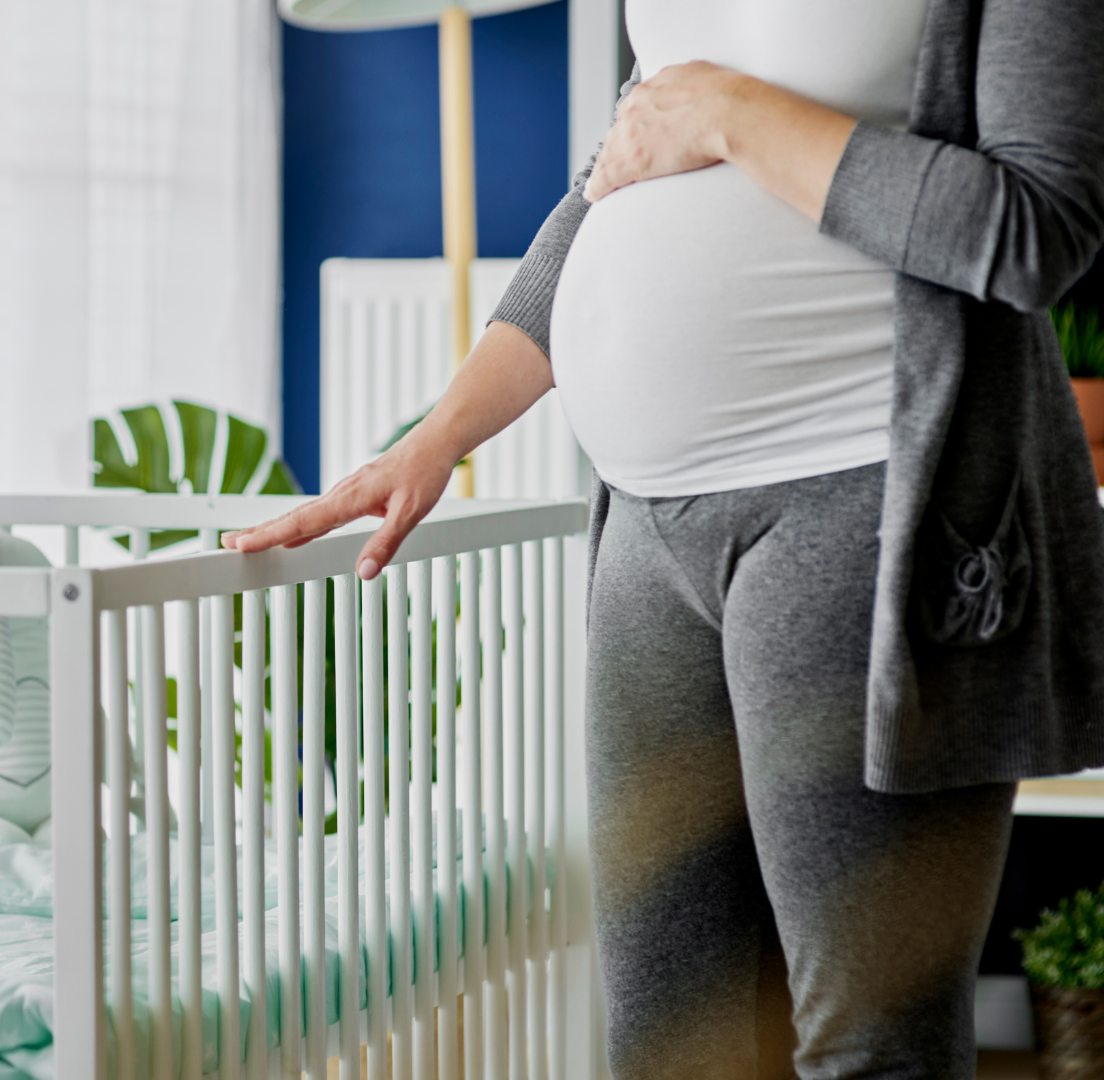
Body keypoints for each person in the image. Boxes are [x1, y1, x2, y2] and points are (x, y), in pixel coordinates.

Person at [225, 0, 1104, 1076]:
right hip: (644, 530)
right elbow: (608, 182)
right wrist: (432, 440)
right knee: (670, 1033)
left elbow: (1035, 226)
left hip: (862, 505)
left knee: (872, 1044)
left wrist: (734, 111)